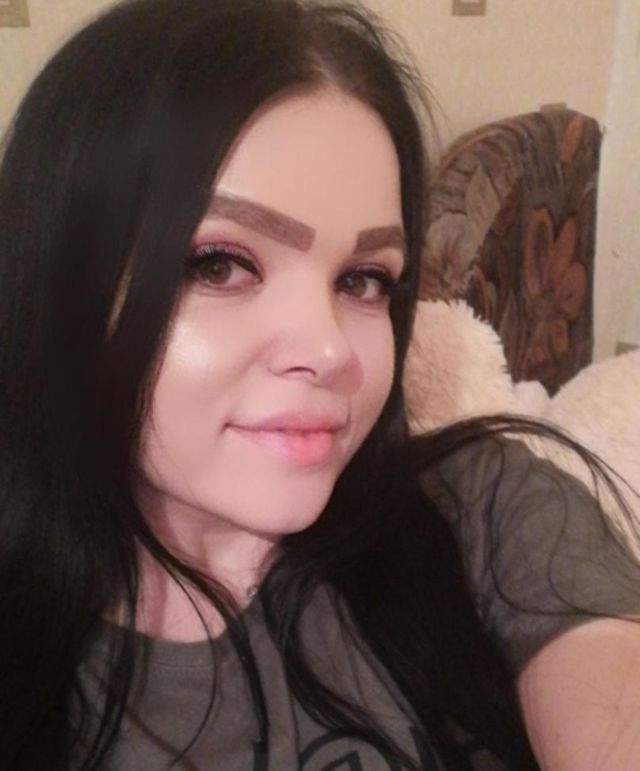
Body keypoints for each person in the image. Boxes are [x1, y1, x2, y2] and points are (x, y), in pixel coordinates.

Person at [1, 1, 639, 769]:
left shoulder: (483, 505)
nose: (332, 349)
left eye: (364, 279)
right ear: (63, 284)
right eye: (219, 264)